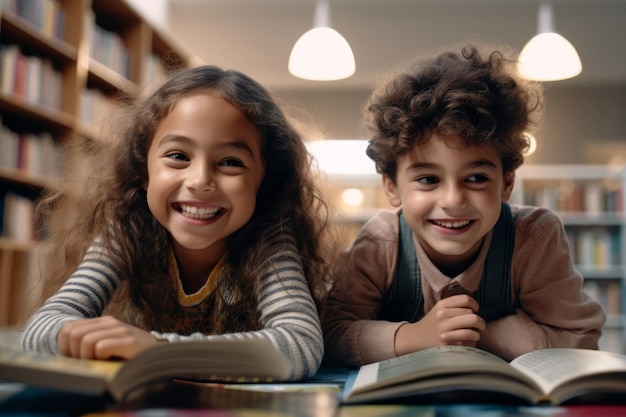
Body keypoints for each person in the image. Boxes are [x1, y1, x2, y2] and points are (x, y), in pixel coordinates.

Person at [20, 65, 334, 381]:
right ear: (144, 171)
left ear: (264, 183)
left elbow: (301, 345)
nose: (200, 181)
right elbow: (39, 329)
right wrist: (73, 335)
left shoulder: (270, 240)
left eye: (231, 162)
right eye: (178, 156)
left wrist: (160, 350)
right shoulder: (126, 232)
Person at [322, 45, 606, 367]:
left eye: (476, 178)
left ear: (507, 183)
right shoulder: (382, 242)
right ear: (391, 186)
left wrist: (484, 334)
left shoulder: (533, 237)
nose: (453, 200)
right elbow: (331, 334)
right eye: (428, 180)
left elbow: (580, 339)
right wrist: (412, 337)